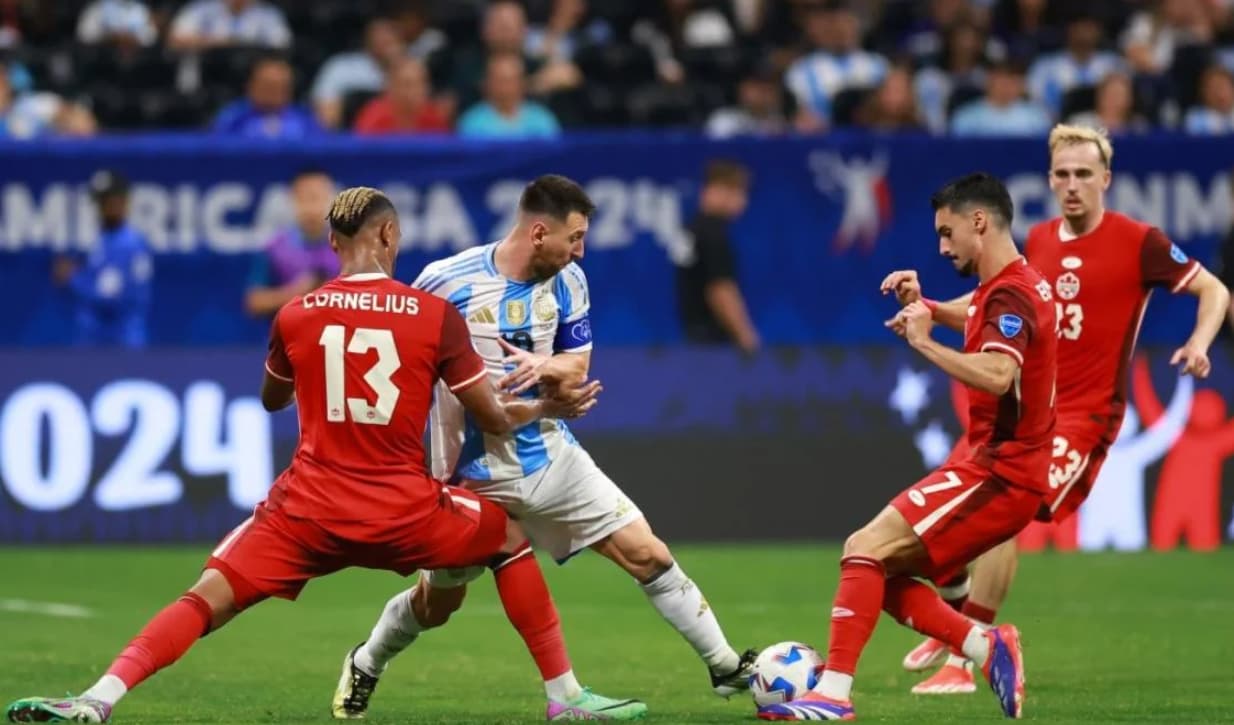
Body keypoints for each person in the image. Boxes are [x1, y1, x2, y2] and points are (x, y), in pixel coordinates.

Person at [5, 187, 601, 724]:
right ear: (389, 236)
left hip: (308, 510)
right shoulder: (434, 315)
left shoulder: (297, 313)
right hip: (404, 509)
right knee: (509, 541)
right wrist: (553, 408)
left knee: (205, 597)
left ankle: (98, 698)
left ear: (332, 243)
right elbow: (492, 417)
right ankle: (564, 698)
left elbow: (272, 399)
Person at [333, 175, 756, 720]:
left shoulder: (569, 281)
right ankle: (366, 661)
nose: (579, 251)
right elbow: (403, 362)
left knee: (647, 553)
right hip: (468, 472)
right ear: (538, 233)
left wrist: (545, 366)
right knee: (438, 604)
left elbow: (577, 365)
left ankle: (725, 666)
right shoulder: (444, 282)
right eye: (574, 238)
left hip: (550, 453)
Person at [893, 125, 1229, 695]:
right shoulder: (1040, 242)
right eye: (1063, 174)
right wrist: (925, 307)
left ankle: (968, 654)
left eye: (1084, 174)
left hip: (1081, 420)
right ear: (1049, 180)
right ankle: (955, 623)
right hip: (1024, 411)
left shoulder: (1139, 240)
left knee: (1003, 507)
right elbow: (983, 305)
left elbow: (1215, 289)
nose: (1073, 185)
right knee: (943, 510)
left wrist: (1199, 344)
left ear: (1106, 179)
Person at [760, 173, 1051, 721]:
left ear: (979, 222)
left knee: (862, 548)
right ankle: (984, 646)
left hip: (999, 472)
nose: (942, 248)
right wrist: (931, 308)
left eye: (947, 233)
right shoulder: (1015, 284)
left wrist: (924, 341)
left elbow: (996, 372)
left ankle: (834, 696)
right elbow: (981, 310)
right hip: (996, 468)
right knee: (879, 571)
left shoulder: (1011, 292)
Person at [54, 170, 152, 347]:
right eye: (99, 201)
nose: (102, 208)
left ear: (123, 202)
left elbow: (109, 297)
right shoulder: (104, 238)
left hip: (118, 344)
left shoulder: (128, 244)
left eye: (107, 201)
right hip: (97, 342)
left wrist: (72, 278)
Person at [674, 160, 760, 354]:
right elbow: (720, 289)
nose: (743, 202)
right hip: (714, 344)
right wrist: (745, 335)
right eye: (740, 193)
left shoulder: (691, 228)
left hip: (693, 337)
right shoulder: (713, 235)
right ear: (719, 190)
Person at [245, 169, 337, 318]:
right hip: (288, 338)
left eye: (318, 197)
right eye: (305, 198)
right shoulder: (273, 249)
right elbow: (254, 302)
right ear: (292, 200)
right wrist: (295, 293)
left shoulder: (350, 247)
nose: (312, 207)